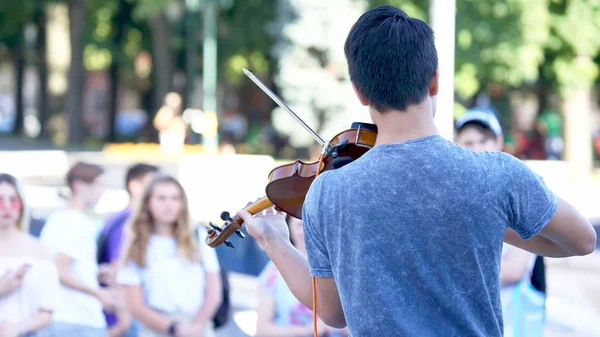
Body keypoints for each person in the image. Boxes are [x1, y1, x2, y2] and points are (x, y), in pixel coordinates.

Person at [235, 5, 596, 337]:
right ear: (435, 80)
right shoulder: (495, 173)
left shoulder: (327, 192)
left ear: (360, 92)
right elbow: (582, 240)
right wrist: (482, 221)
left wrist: (273, 238)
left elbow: (332, 312)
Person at [455, 110, 546, 336]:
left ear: (499, 142)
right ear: (456, 145)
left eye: (483, 140)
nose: (476, 147)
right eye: (468, 141)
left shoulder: (517, 194)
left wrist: (456, 276)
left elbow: (514, 269)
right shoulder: (451, 197)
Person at [117, 174, 222, 337]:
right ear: (147, 203)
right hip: (157, 327)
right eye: (161, 198)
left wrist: (196, 327)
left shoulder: (198, 236)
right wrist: (175, 329)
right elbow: (134, 305)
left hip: (198, 326)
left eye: (175, 198)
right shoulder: (136, 243)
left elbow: (214, 291)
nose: (169, 205)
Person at [39, 162, 120, 337]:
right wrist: (98, 293)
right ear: (78, 185)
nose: (100, 191)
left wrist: (95, 273)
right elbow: (60, 269)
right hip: (78, 320)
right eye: (96, 184)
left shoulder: (58, 219)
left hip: (64, 318)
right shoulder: (75, 221)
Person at [256, 215, 347, 337]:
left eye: (313, 224)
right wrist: (309, 330)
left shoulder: (344, 268)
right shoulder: (273, 272)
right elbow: (262, 330)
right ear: (289, 230)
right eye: (300, 225)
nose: (308, 230)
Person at [97, 163, 160, 337]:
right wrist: (124, 320)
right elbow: (118, 270)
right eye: (152, 184)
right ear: (134, 186)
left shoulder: (120, 219)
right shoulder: (128, 223)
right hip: (127, 316)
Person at [0, 173, 60, 337]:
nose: (6, 206)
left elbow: (47, 311)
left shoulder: (39, 250)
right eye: (0, 199)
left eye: (13, 200)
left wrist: (17, 328)